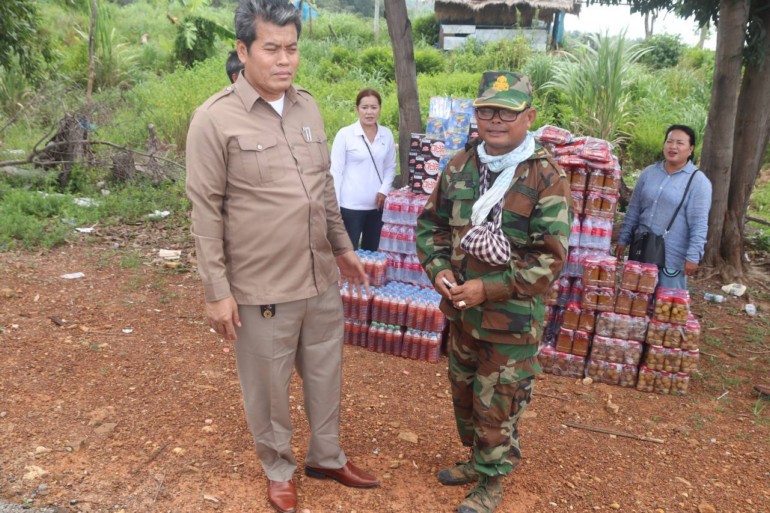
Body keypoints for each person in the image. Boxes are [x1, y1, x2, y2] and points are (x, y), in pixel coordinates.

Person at [185, 1, 379, 512]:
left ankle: (327, 456)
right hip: (263, 285)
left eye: (292, 48)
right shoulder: (214, 120)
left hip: (319, 277)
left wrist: (342, 246)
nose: (284, 60)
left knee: (326, 372)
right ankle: (278, 468)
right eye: (271, 48)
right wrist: (217, 292)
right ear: (243, 49)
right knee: (268, 388)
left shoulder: (306, 107)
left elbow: (323, 187)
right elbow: (205, 212)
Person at [416, 71, 571, 513]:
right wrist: (439, 270)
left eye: (507, 112)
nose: (496, 120)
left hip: (511, 321)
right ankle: (476, 460)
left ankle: (490, 482)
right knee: (465, 394)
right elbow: (431, 226)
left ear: (529, 117)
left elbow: (550, 259)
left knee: (498, 401)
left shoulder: (545, 176)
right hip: (463, 313)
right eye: (487, 111)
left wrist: (489, 287)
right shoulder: (461, 165)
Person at [615, 125, 712, 289]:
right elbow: (634, 210)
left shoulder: (698, 182)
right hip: (641, 250)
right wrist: (623, 238)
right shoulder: (649, 173)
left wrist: (693, 256)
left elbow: (699, 223)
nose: (673, 146)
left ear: (690, 149)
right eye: (669, 141)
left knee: (665, 302)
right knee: (636, 299)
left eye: (680, 143)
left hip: (672, 258)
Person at [330, 88, 396, 251]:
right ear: (357, 109)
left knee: (372, 254)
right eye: (364, 107)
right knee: (347, 252)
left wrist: (384, 191)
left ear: (380, 109)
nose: (369, 112)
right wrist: (335, 207)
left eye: (374, 107)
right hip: (349, 207)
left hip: (376, 208)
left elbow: (390, 167)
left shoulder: (386, 135)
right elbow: (336, 172)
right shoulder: (345, 134)